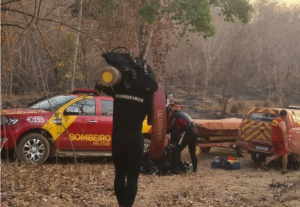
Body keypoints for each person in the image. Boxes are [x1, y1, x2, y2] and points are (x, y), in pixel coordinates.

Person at [96, 63, 158, 206]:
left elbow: (101, 85)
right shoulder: (147, 97)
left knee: (119, 174)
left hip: (118, 139)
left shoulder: (118, 89)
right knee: (132, 177)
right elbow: (153, 119)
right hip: (135, 140)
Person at [166, 106, 198, 172]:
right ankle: (195, 169)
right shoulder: (180, 113)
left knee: (177, 149)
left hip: (188, 131)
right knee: (192, 151)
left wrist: (171, 142)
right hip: (195, 130)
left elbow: (174, 131)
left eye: (167, 115)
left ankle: (175, 169)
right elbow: (180, 129)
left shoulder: (174, 117)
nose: (167, 117)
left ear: (169, 113)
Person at [262, 110, 290, 174]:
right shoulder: (282, 122)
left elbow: (271, 130)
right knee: (285, 154)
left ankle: (266, 162)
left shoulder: (274, 120)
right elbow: (283, 132)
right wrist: (286, 143)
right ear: (285, 115)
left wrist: (271, 138)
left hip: (275, 140)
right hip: (280, 140)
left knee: (278, 154)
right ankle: (284, 170)